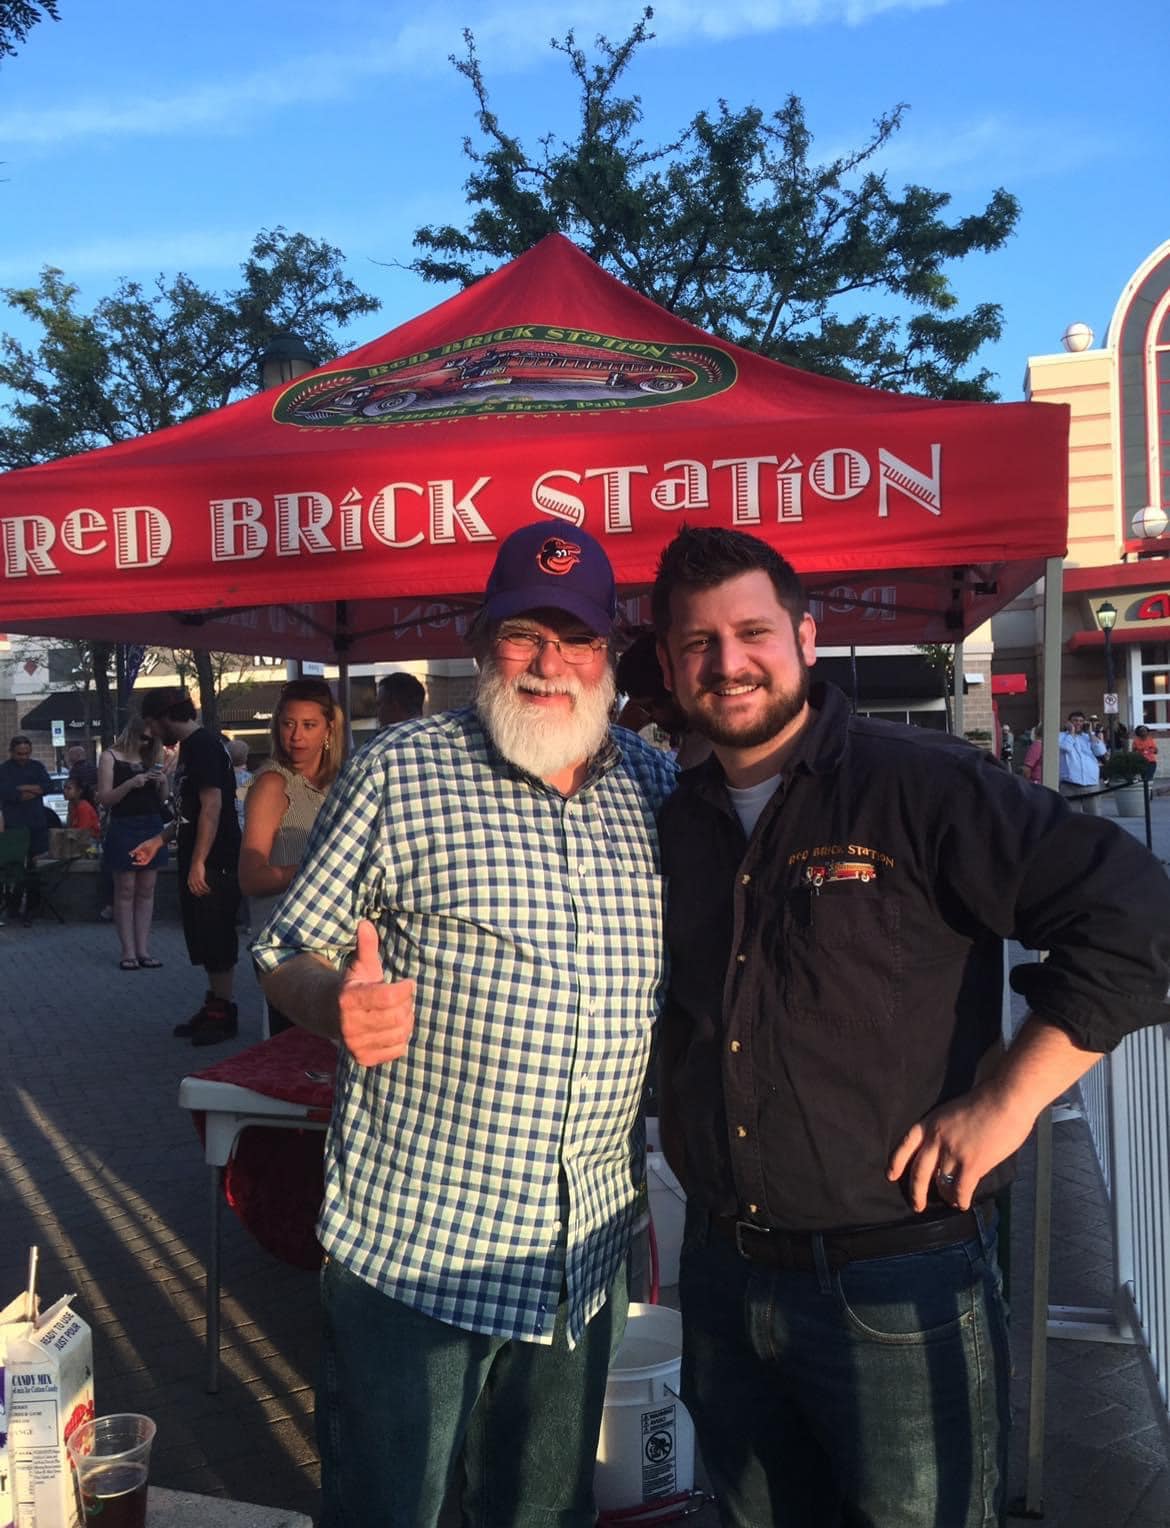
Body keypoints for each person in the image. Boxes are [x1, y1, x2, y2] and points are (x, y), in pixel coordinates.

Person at [648, 526, 1170, 1528]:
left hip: (894, 1280)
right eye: (698, 642)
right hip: (723, 1277)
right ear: (670, 665)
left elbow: (1135, 915)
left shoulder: (920, 782)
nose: (728, 662)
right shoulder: (676, 818)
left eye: (752, 632)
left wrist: (1009, 1102)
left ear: (805, 638)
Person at [253, 522, 677, 1528]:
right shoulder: (401, 771)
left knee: (544, 1514)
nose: (547, 664)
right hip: (419, 1249)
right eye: (523, 635)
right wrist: (334, 1005)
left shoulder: (657, 788)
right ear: (482, 643)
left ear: (610, 653)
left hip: (581, 1256)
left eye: (575, 639)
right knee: (386, 1510)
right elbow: (286, 950)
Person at [132, 689, 242, 1046]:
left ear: (163, 717)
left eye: (151, 724)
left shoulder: (203, 746)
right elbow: (189, 813)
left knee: (216, 932)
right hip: (202, 854)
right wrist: (159, 840)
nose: (150, 732)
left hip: (216, 859)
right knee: (203, 934)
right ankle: (215, 1003)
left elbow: (212, 806)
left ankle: (223, 1012)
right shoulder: (192, 748)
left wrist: (199, 861)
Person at [239, 678, 346, 1034]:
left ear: (329, 729)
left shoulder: (340, 782)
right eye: (288, 724)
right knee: (296, 1051)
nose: (296, 736)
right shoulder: (273, 783)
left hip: (332, 939)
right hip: (287, 943)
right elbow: (251, 878)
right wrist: (315, 869)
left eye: (309, 725)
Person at [97, 716, 170, 970]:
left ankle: (143, 949)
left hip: (151, 823)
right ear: (132, 733)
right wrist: (129, 784)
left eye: (151, 739)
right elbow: (105, 798)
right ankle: (127, 950)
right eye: (143, 738)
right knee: (126, 889)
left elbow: (162, 800)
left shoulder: (151, 758)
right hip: (124, 824)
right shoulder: (110, 757)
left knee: (147, 889)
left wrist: (163, 782)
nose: (146, 743)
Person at [616, 629, 712, 769]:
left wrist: (622, 732)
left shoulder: (711, 749)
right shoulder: (696, 742)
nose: (650, 717)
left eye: (649, 708)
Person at [0, 735, 52, 923]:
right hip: (14, 825)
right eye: (19, 754)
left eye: (26, 753)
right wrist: (31, 791)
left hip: (36, 823)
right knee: (13, 867)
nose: (23, 757)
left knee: (35, 867)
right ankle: (12, 905)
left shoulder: (37, 767)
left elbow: (47, 786)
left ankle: (33, 907)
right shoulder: (4, 770)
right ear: (12, 752)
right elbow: (6, 792)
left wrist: (23, 787)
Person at [227, 739, 254, 933]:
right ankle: (250, 921)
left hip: (230, 830)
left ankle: (230, 917)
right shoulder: (251, 779)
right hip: (247, 831)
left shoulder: (224, 779)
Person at [1058, 709, 1107, 813]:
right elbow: (1066, 747)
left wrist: (1090, 733)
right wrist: (1071, 733)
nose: (1078, 723)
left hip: (1091, 783)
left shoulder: (1088, 737)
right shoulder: (1061, 736)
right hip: (1070, 784)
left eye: (1081, 721)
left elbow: (1101, 751)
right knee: (1072, 816)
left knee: (1094, 816)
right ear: (1069, 722)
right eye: (1075, 720)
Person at [63, 775, 101, 840]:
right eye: (64, 788)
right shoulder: (72, 805)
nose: (64, 791)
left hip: (89, 842)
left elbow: (81, 832)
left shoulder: (83, 807)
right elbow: (70, 827)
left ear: (79, 791)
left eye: (69, 788)